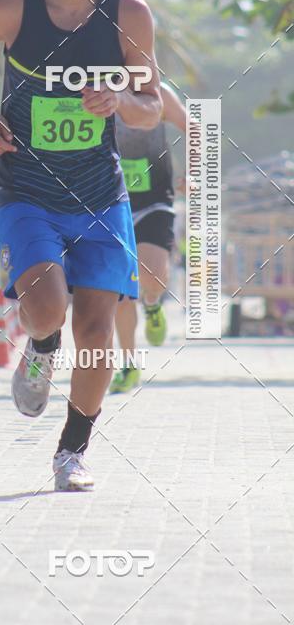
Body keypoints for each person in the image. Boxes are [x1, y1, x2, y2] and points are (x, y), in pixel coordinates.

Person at [0, 0, 162, 490]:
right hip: (27, 186)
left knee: (96, 335)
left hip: (100, 196)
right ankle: (41, 345)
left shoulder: (131, 16)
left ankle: (72, 451)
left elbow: (150, 108)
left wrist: (120, 101)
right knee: (47, 306)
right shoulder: (11, 6)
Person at [110, 83, 187, 393]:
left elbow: (194, 129)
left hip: (154, 199)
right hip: (110, 201)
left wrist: (195, 172)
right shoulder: (91, 86)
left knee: (152, 274)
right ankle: (129, 365)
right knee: (120, 290)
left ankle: (153, 303)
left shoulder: (157, 92)